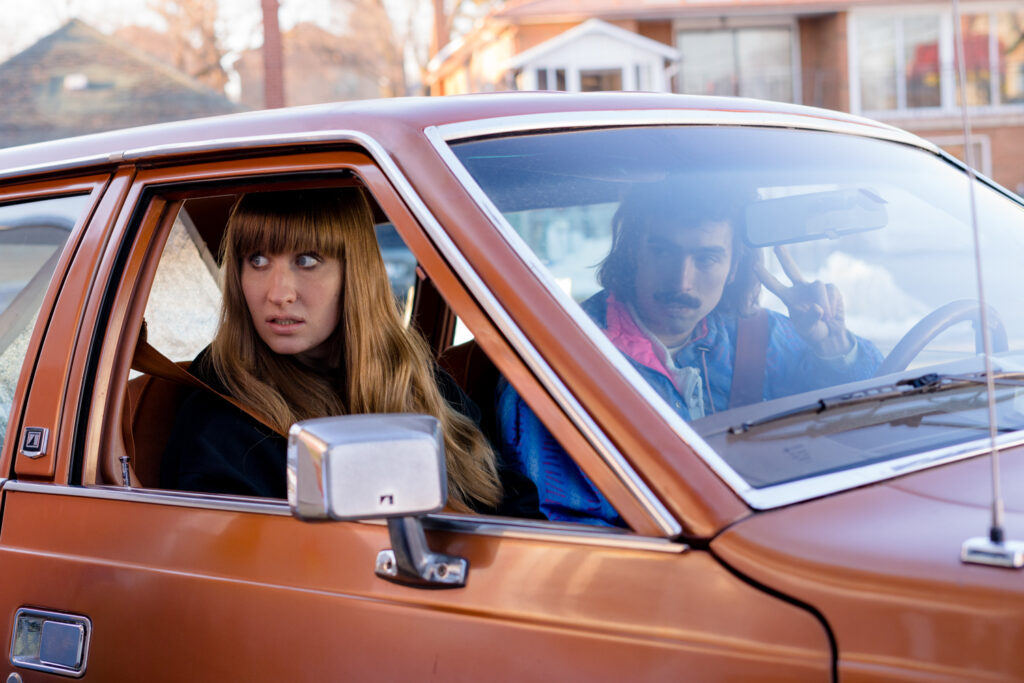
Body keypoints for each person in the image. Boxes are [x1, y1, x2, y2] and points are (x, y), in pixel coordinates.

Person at [497, 180, 882, 526]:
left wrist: (832, 346)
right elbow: (566, 526)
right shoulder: (561, 362)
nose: (682, 281)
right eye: (663, 252)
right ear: (633, 253)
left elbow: (877, 423)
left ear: (734, 267)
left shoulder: (764, 337)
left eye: (706, 259)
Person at [161, 188, 503, 514]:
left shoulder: (410, 374)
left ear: (354, 273)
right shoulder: (222, 420)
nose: (279, 294)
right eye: (258, 260)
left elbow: (505, 498)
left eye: (306, 260)